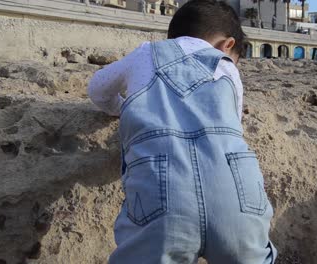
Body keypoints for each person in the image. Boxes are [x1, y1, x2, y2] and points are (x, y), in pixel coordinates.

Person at [87, 0, 277, 263]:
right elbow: (234, 126)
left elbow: (97, 89)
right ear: (228, 45)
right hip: (237, 188)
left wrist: (122, 108)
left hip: (162, 196)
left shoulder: (147, 53)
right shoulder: (228, 67)